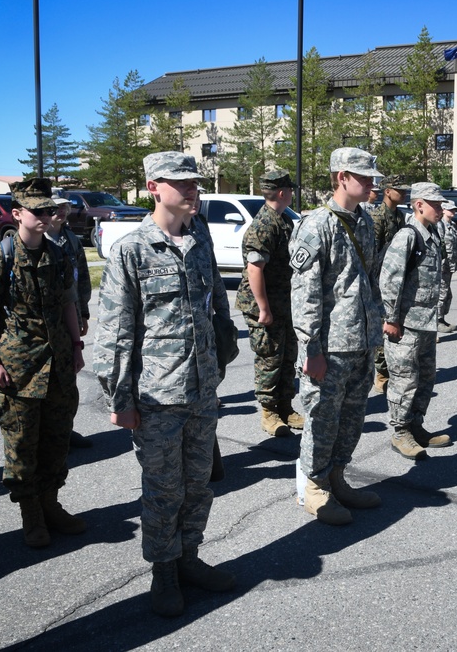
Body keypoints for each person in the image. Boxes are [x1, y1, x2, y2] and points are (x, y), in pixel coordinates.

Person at [94, 153, 235, 617]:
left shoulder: (200, 240)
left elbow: (218, 306)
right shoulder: (132, 250)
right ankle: (163, 572)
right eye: (182, 183)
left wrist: (221, 356)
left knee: (198, 485)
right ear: (154, 187)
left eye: (195, 181)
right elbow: (115, 332)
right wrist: (120, 397)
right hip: (156, 396)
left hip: (201, 391)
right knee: (163, 490)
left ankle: (189, 558)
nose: (193, 189)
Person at [0, 178, 86, 548]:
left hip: (58, 364)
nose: (47, 215)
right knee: (21, 444)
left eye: (50, 210)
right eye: (39, 210)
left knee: (57, 439)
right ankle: (31, 513)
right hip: (18, 369)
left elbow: (69, 301)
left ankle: (50, 503)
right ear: (18, 213)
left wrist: (77, 345)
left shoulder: (58, 253)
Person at [289, 147, 384, 526]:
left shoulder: (366, 221)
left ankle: (337, 476)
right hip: (329, 346)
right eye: (363, 176)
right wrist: (310, 348)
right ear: (342, 177)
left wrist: (376, 330)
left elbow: (368, 282)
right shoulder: (316, 225)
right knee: (321, 417)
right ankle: (313, 486)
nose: (371, 183)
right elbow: (305, 294)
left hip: (360, 340)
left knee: (352, 416)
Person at [381, 182, 452, 460]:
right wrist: (390, 318)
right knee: (404, 380)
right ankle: (400, 432)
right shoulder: (408, 236)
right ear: (419, 205)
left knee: (425, 378)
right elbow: (389, 280)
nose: (440, 209)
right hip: (406, 325)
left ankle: (415, 425)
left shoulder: (432, 234)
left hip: (425, 323)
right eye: (435, 204)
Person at [235, 169, 303, 438]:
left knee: (287, 356)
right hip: (264, 305)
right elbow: (255, 270)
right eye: (291, 190)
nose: (292, 194)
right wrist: (263, 308)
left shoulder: (282, 219)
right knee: (270, 358)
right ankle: (269, 411)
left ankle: (286, 406)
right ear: (283, 192)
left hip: (282, 302)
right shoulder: (264, 225)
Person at [45, 196, 94, 450]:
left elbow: (82, 278)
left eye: (65, 207)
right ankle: (46, 435)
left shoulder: (71, 239)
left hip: (70, 316)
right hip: (43, 324)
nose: (62, 212)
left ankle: (66, 429)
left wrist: (83, 312)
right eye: (56, 207)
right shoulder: (37, 239)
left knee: (68, 378)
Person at [369, 174, 409, 393]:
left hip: (396, 278)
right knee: (382, 327)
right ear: (387, 192)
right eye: (399, 189)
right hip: (379, 281)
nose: (403, 193)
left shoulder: (400, 216)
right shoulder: (378, 218)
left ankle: (391, 370)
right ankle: (382, 374)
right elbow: (373, 254)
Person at [436, 200, 457, 334]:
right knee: (442, 293)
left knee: (447, 294)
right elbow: (441, 246)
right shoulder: (440, 225)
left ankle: (442, 318)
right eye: (450, 209)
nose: (453, 212)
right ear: (443, 210)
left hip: (450, 265)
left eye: (454, 210)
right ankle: (437, 321)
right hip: (443, 265)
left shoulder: (453, 225)